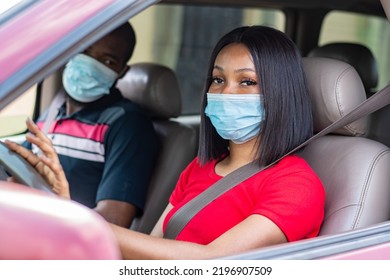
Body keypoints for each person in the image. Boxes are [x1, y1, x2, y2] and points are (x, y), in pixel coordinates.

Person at [6, 25, 325, 259]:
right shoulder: (200, 168)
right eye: (218, 79)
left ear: (281, 95)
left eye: (247, 82)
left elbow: (209, 263)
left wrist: (75, 217)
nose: (226, 93)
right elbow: (150, 246)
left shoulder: (296, 184)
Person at [17, 22, 159, 228]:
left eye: (108, 61)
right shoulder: (54, 109)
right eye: (84, 51)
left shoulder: (127, 124)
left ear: (121, 71)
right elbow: (18, 167)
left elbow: (113, 220)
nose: (90, 64)